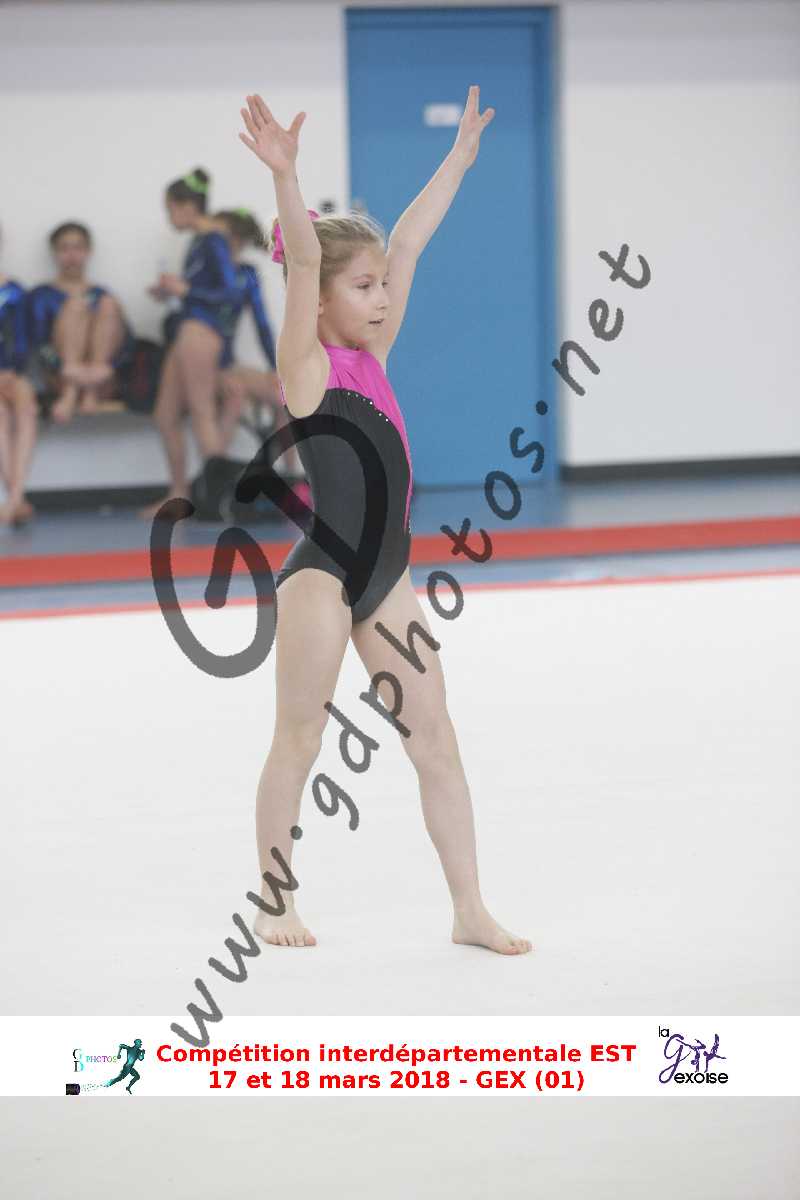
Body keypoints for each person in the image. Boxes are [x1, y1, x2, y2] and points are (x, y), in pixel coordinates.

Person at [238, 90, 531, 955]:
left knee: (435, 738)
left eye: (381, 288)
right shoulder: (308, 368)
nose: (380, 297)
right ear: (320, 301)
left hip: (387, 577)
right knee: (300, 737)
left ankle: (469, 908)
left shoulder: (374, 354)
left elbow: (406, 241)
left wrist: (459, 160)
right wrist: (286, 179)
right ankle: (275, 901)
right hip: (323, 578)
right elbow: (301, 262)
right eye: (362, 288)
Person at [140, 168, 238, 518]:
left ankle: (219, 498)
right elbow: (201, 292)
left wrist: (185, 289)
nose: (169, 218)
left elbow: (229, 293)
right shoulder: (198, 241)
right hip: (187, 330)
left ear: (186, 207)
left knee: (201, 411)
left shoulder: (214, 239)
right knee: (165, 415)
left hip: (201, 333)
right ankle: (179, 494)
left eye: (170, 209)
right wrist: (173, 292)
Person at [212, 207, 307, 496]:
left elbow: (261, 322)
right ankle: (213, 481)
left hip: (227, 364)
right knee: (236, 394)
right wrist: (220, 370)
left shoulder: (245, 274)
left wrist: (274, 367)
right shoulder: (206, 273)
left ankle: (292, 476)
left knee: (283, 395)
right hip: (206, 365)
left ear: (237, 240)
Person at [26, 222, 135, 424]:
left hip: (100, 379)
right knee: (75, 306)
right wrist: (68, 370)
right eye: (64, 248)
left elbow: (126, 342)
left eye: (78, 248)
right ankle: (73, 390)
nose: (72, 255)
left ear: (88, 251)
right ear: (54, 253)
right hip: (61, 376)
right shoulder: (41, 295)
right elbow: (38, 343)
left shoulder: (103, 295)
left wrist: (104, 369)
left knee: (108, 305)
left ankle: (87, 390)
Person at [0, 234, 38, 525]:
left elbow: (23, 338)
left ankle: (13, 498)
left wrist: (9, 370)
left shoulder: (13, 291)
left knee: (26, 407)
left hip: (12, 373)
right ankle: (15, 499)